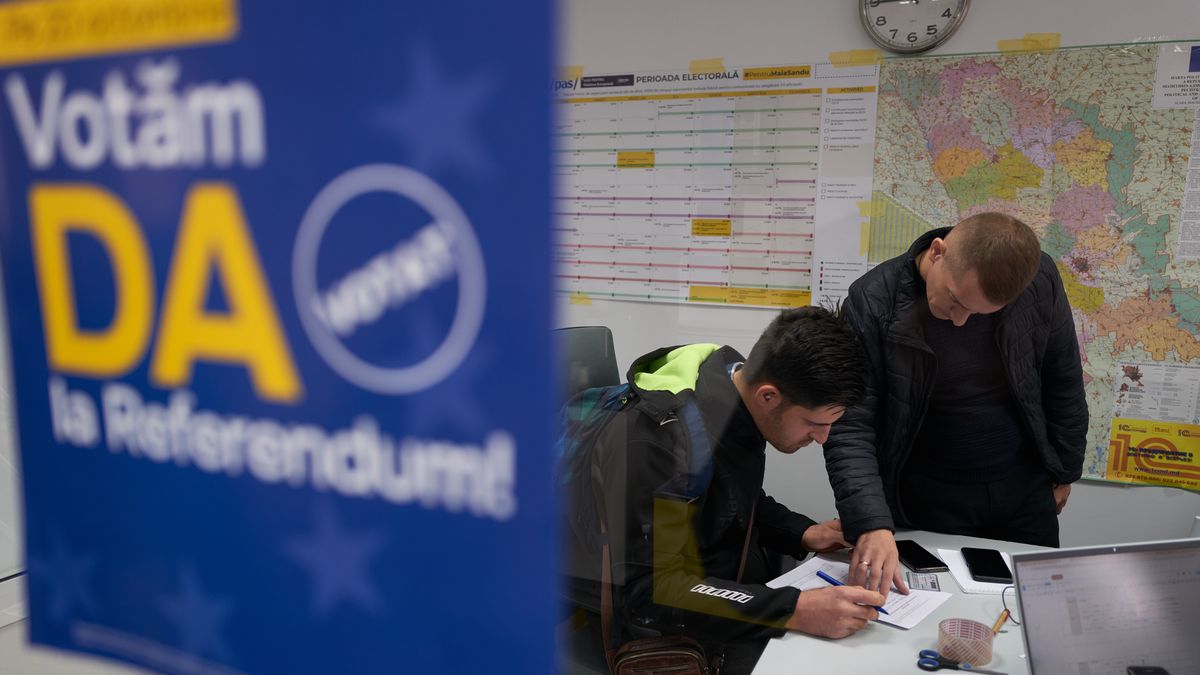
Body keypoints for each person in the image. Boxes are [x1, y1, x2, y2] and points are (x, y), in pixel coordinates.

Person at [563, 306, 885, 674]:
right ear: (768, 396)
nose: (823, 438)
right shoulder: (659, 443)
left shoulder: (735, 388)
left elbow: (726, 495)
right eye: (814, 423)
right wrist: (794, 610)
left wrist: (802, 532)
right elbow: (650, 590)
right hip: (643, 600)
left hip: (696, 571)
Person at [823, 212, 1087, 599]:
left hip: (1024, 492)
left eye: (979, 313)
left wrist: (1065, 472)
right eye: (955, 301)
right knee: (932, 610)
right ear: (937, 253)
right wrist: (870, 522)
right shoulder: (874, 299)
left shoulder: (1039, 278)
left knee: (1033, 609)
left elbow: (1062, 375)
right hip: (928, 498)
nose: (961, 321)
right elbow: (851, 423)